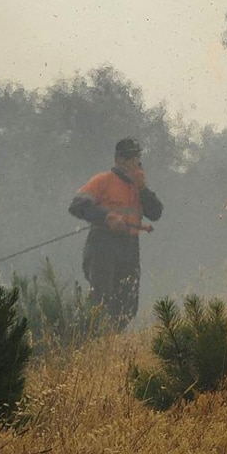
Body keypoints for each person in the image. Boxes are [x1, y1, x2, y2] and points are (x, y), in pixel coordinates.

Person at [69, 137, 163, 329]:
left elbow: (155, 213)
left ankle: (110, 341)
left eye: (137, 157)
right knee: (102, 299)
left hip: (129, 247)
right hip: (102, 245)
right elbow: (77, 205)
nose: (134, 162)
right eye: (129, 157)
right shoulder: (102, 181)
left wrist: (143, 188)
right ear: (118, 160)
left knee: (128, 305)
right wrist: (106, 217)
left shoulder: (139, 187)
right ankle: (92, 338)